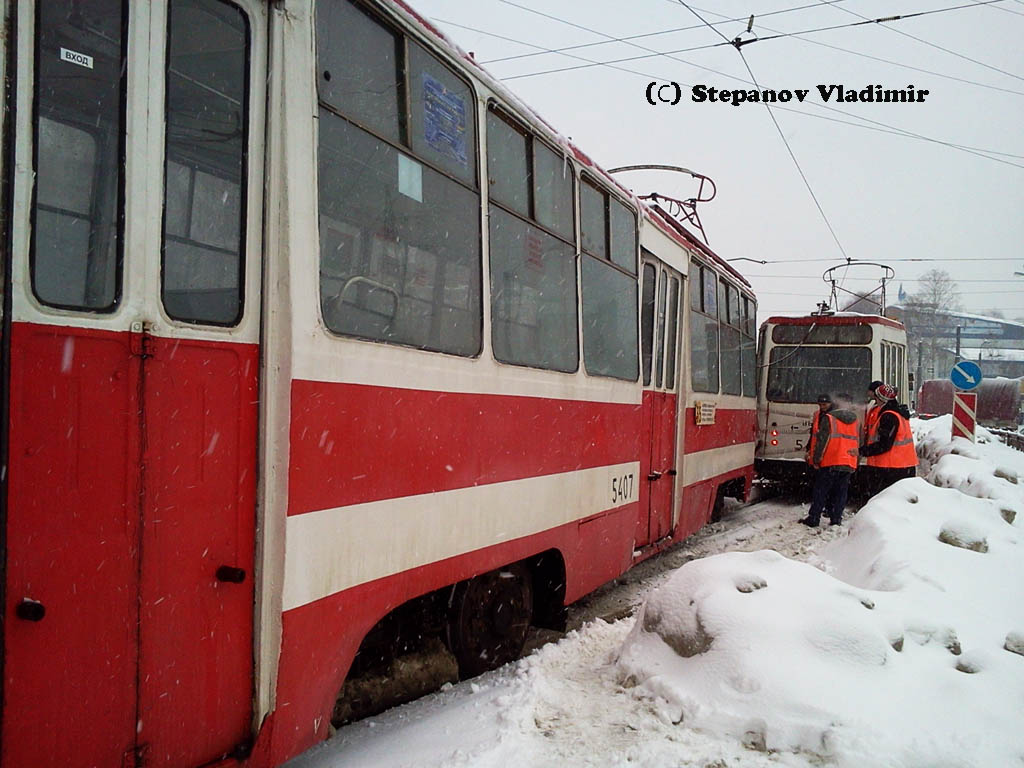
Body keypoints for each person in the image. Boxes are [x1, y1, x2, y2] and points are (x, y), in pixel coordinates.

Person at [799, 393, 859, 527]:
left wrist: (816, 459)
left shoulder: (830, 419)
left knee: (821, 491)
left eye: (824, 404)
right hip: (848, 461)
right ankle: (836, 519)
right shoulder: (854, 420)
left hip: (831, 460)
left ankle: (814, 518)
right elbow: (856, 440)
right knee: (840, 493)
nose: (821, 407)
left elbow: (822, 441)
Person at [860, 381, 917, 495]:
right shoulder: (899, 414)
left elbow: (884, 444)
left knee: (884, 502)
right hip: (904, 465)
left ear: (883, 400)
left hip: (890, 468)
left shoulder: (888, 416)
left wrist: (862, 451)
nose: (875, 401)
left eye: (877, 398)